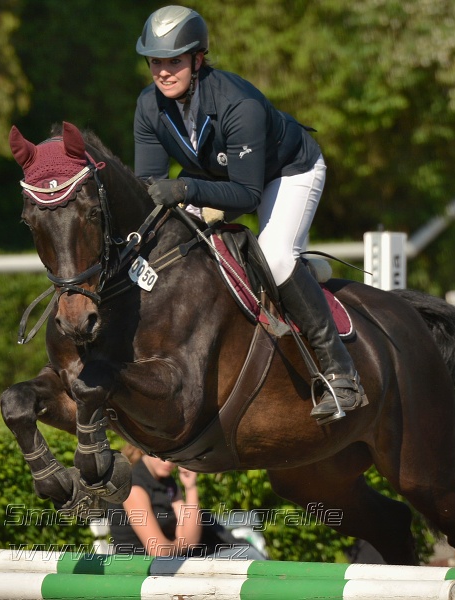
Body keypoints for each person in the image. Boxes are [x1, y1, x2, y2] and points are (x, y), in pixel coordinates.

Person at [133, 5, 366, 419]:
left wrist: (185, 188)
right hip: (215, 176)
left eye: (175, 61)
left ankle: (341, 374)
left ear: (198, 59)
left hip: (286, 172)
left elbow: (245, 195)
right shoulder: (149, 107)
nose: (164, 71)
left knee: (275, 257)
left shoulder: (239, 104)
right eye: (156, 62)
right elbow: (149, 187)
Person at [107, 446, 266, 558]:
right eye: (163, 455)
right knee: (247, 555)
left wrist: (190, 487)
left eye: (175, 455)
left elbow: (191, 537)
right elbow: (159, 551)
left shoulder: (166, 482)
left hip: (173, 561)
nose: (170, 462)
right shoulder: (134, 488)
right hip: (142, 570)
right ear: (146, 449)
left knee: (246, 553)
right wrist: (182, 545)